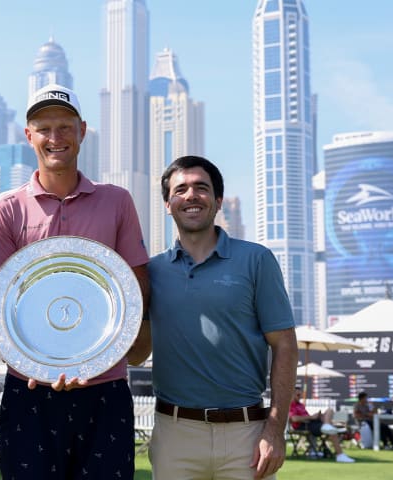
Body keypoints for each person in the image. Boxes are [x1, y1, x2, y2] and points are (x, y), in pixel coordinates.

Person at [0, 83, 151, 479]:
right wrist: (41, 365)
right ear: (29, 136)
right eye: (44, 128)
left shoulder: (117, 201)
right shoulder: (4, 210)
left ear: (82, 131)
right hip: (31, 390)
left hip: (105, 386)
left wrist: (107, 352)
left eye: (64, 127)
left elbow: (137, 284)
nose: (54, 138)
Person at [146, 155, 299, 480]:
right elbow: (134, 350)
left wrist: (275, 429)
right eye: (181, 189)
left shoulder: (257, 260)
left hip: (247, 437)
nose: (191, 196)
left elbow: (285, 346)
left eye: (201, 188)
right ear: (167, 204)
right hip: (175, 436)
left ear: (217, 201)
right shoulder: (151, 272)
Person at [289, 388, 355, 462]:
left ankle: (327, 425)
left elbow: (307, 417)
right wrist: (311, 417)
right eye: (298, 395)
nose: (300, 397)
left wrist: (316, 417)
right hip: (303, 426)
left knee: (329, 411)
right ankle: (340, 454)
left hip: (311, 423)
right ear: (292, 394)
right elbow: (294, 419)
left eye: (301, 395)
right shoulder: (290, 405)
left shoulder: (300, 405)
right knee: (332, 431)